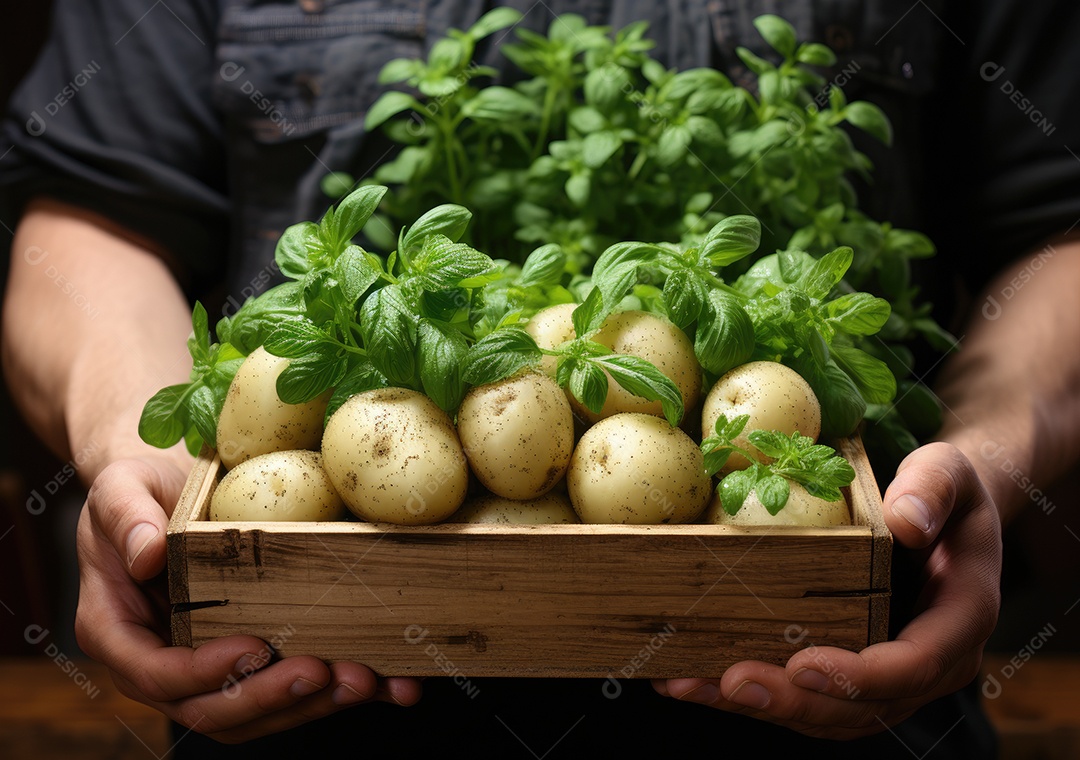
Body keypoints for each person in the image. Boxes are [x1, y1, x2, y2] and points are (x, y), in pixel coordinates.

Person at [2, 0, 1078, 756]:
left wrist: (986, 451)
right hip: (294, 701)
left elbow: (1059, 232)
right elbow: (90, 217)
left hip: (856, 687)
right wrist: (127, 447)